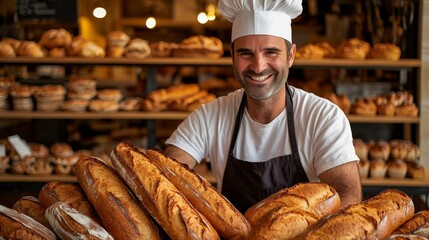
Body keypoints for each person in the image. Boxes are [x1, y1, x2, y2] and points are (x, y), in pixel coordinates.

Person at [164, 0, 362, 213]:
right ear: (232, 56)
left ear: (291, 56)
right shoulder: (211, 115)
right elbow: (164, 176)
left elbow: (348, 197)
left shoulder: (322, 117)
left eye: (271, 52)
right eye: (245, 53)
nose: (258, 67)